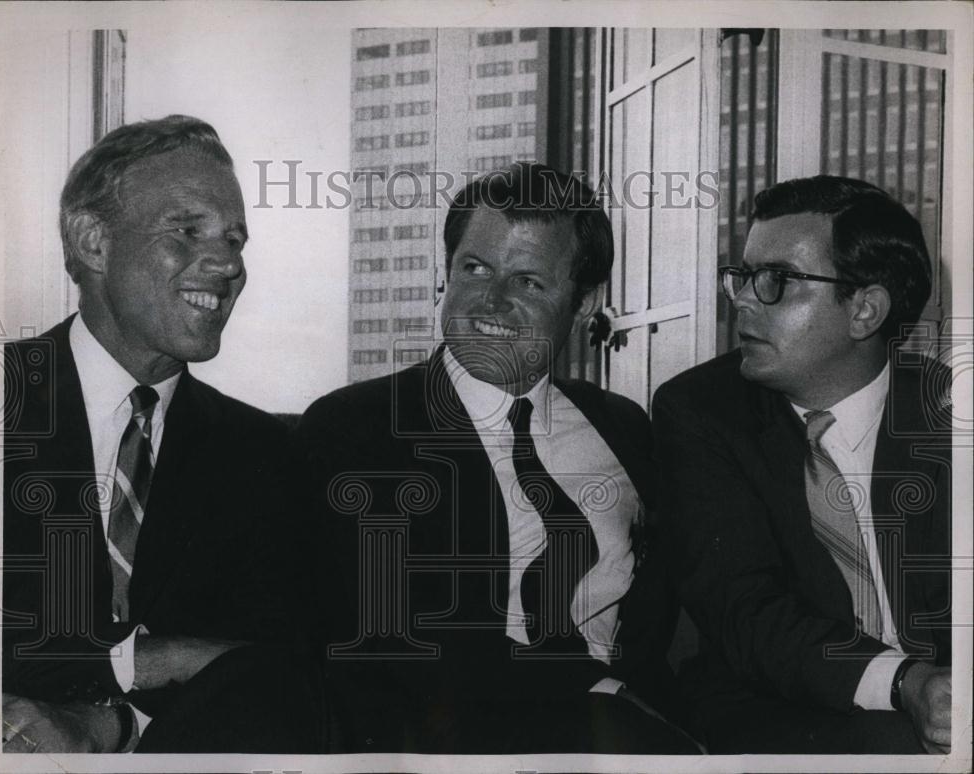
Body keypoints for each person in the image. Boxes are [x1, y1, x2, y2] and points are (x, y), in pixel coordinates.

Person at [293, 163, 699, 754]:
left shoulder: (625, 428)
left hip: (636, 736)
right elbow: (386, 646)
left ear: (585, 302)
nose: (493, 301)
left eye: (529, 282)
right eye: (475, 268)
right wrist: (600, 697)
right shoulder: (356, 428)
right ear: (446, 273)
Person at [1, 115, 320, 753]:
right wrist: (152, 658)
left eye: (236, 239)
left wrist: (114, 725)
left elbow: (292, 673)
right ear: (94, 242)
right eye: (187, 229)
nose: (228, 263)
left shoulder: (266, 456)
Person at [652, 175, 951, 753]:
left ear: (864, 309)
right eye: (741, 275)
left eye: (777, 282)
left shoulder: (952, 411)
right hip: (784, 711)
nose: (740, 298)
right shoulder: (702, 411)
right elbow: (745, 612)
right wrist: (904, 683)